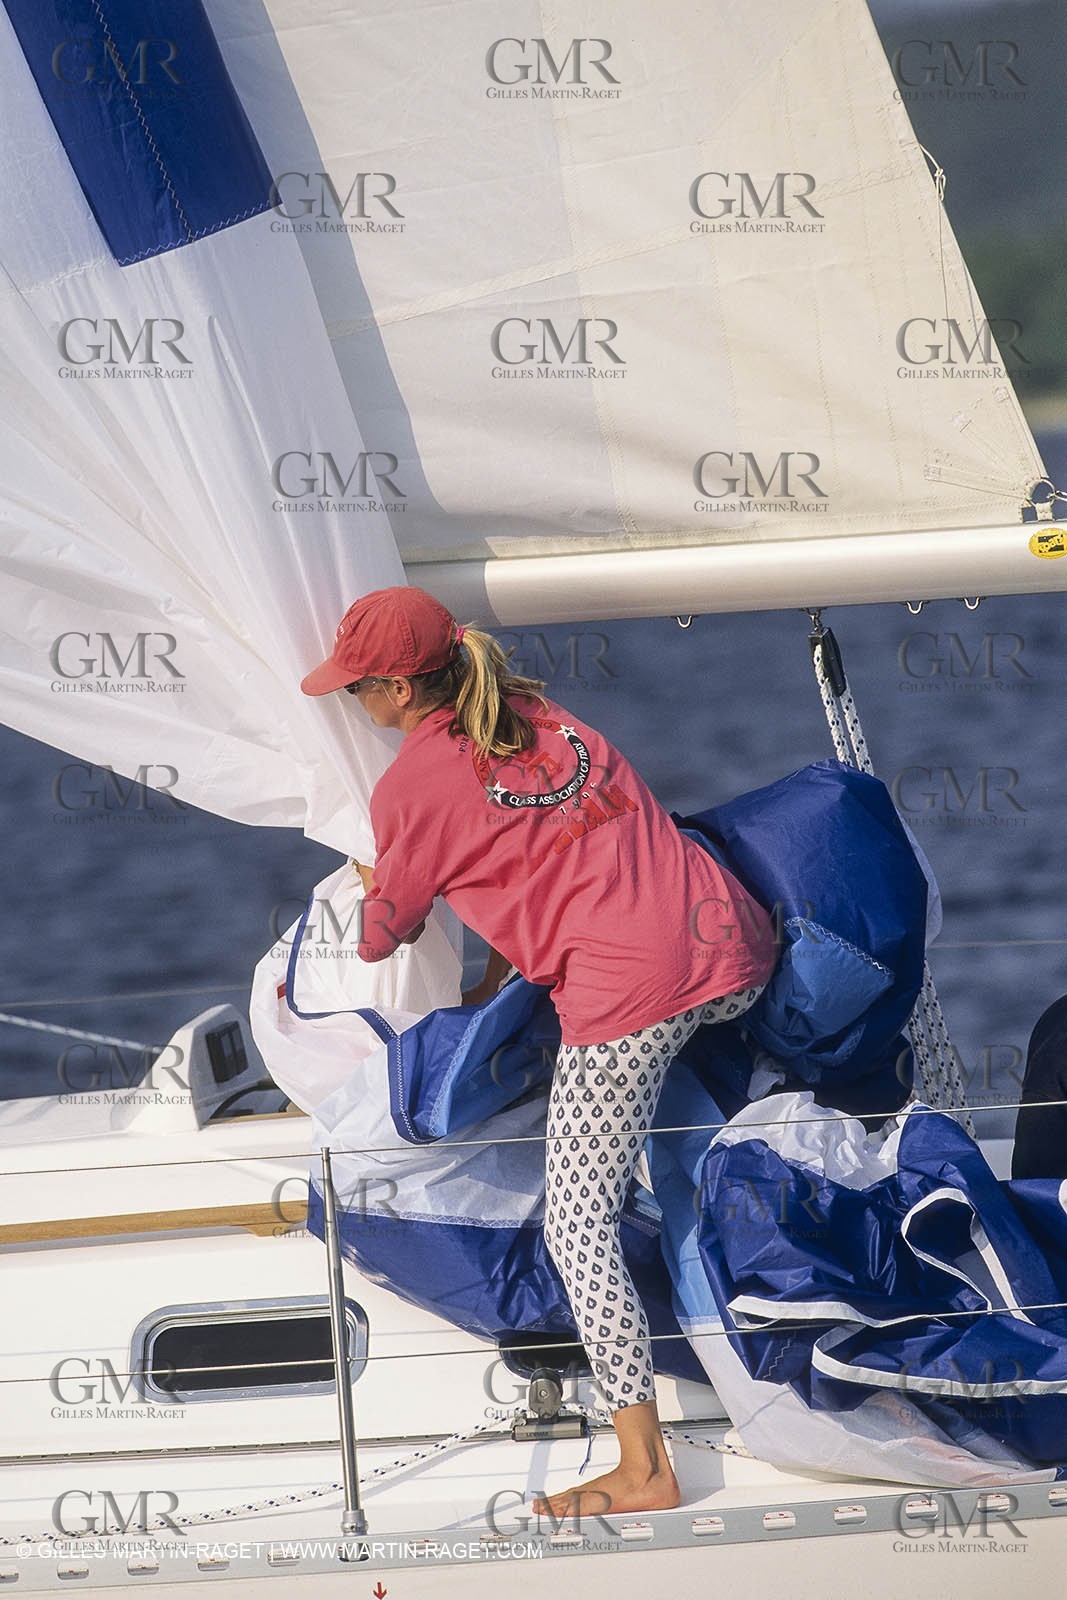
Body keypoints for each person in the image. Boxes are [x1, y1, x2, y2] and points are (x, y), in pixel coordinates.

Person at [301, 586, 777, 1519]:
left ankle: (644, 1467)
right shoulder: (540, 715)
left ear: (397, 689)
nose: (352, 703)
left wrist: (370, 877)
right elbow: (538, 855)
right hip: (734, 949)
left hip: (635, 994)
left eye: (356, 689)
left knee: (576, 1227)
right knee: (649, 1131)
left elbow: (385, 936)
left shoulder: (412, 784)